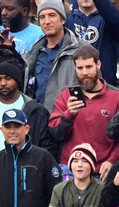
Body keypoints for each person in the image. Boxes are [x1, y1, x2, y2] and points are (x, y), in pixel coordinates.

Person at [48, 45, 119, 181]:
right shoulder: (65, 94)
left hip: (102, 171)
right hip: (71, 170)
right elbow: (55, 133)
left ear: (98, 64)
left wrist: (112, 161)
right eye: (80, 68)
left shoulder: (116, 96)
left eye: (89, 67)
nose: (84, 72)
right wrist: (69, 115)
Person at [47, 143, 113, 207]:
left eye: (84, 161)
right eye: (75, 161)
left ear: (92, 165)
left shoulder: (104, 190)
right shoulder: (59, 189)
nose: (79, 165)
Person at [26, 0, 80, 113]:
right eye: (42, 17)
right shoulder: (33, 53)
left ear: (63, 19)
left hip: (68, 120)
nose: (47, 21)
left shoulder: (81, 50)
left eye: (52, 15)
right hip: (39, 121)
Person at [66, 0, 119, 86]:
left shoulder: (109, 19)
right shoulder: (68, 20)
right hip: (75, 85)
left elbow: (113, 16)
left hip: (105, 86)